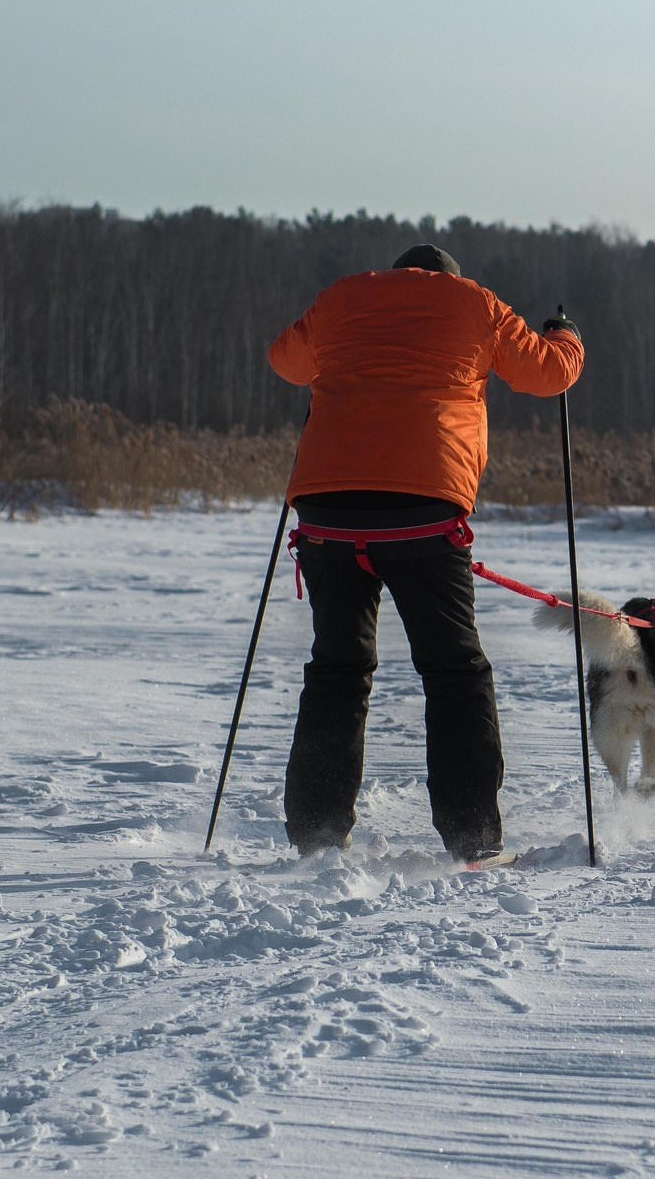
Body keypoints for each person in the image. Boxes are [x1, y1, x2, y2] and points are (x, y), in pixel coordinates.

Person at [265, 242, 583, 862]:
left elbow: (286, 361)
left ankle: (317, 837)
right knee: (454, 672)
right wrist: (565, 334)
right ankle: (474, 841)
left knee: (336, 669)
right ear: (449, 279)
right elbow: (547, 373)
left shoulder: (342, 298)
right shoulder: (475, 304)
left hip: (327, 511)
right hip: (422, 507)